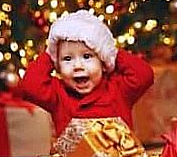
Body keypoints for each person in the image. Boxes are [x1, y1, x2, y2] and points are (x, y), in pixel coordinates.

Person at [18, 9, 154, 137]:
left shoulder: (118, 89)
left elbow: (144, 75)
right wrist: (49, 55)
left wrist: (111, 52)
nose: (77, 66)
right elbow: (30, 86)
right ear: (57, 65)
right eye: (67, 59)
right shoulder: (58, 94)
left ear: (103, 61)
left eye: (87, 56)